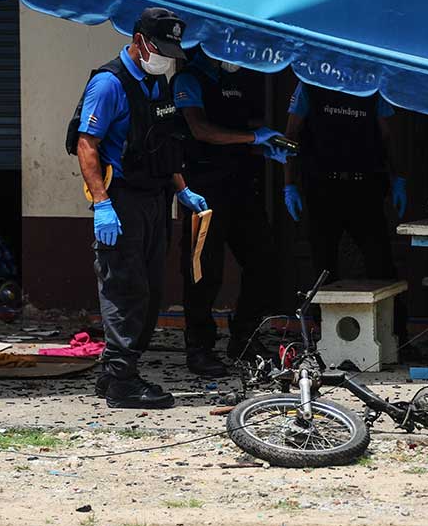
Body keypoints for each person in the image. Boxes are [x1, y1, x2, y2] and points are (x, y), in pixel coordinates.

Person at [74, 7, 208, 409]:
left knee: (150, 290)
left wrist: (183, 189)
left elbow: (164, 143)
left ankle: (111, 373)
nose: (165, 58)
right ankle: (122, 382)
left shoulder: (156, 82)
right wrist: (102, 203)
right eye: (160, 49)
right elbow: (86, 145)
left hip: (155, 198)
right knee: (124, 288)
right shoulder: (108, 83)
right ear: (138, 41)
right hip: (121, 201)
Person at [173, 48, 289, 377]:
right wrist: (253, 137)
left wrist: (265, 143)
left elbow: (242, 126)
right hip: (204, 191)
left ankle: (244, 338)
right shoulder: (189, 79)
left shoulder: (239, 79)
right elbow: (200, 129)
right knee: (203, 272)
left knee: (264, 261)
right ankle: (199, 348)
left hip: (241, 187)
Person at [281, 83, 409, 343]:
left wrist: (398, 178)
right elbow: (291, 135)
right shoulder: (310, 84)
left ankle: (394, 335)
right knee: (323, 265)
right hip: (322, 188)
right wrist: (289, 184)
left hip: (365, 188)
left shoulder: (370, 84)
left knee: (380, 263)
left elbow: (388, 136)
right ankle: (324, 339)